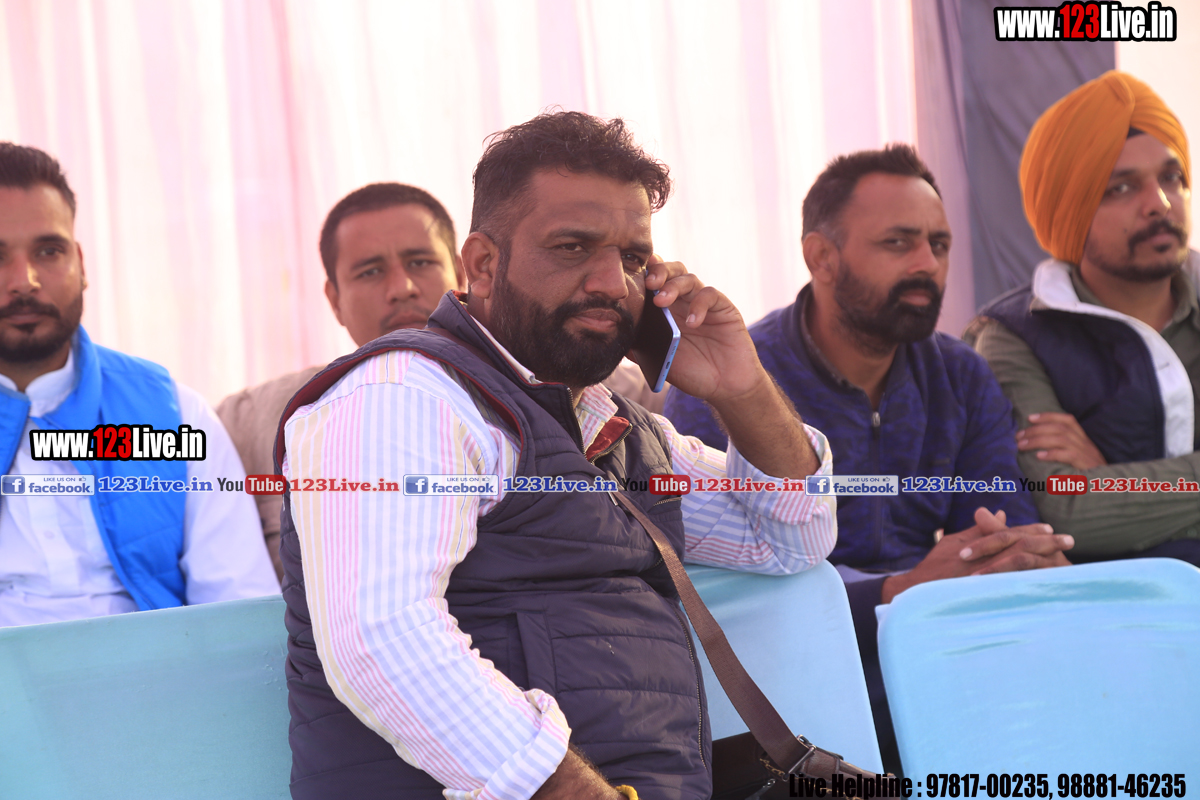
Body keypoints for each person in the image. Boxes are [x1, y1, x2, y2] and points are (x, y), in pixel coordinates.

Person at [275, 111, 837, 799]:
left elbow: (789, 538)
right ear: (483, 265)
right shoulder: (400, 398)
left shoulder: (616, 427)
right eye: (573, 248)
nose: (613, 283)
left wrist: (742, 390)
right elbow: (381, 640)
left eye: (633, 259)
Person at [662, 144, 1073, 774]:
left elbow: (998, 520)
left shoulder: (960, 374)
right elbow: (723, 583)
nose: (927, 264)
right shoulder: (732, 374)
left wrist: (1015, 554)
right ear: (821, 257)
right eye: (898, 243)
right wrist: (892, 592)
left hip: (939, 637)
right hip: (788, 666)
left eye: (939, 244)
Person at [0, 142, 277, 628]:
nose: (25, 281)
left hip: (159, 671)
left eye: (48, 251)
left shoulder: (172, 416)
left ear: (81, 264)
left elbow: (239, 613)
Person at [966, 71, 1200, 566]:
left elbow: (1094, 497)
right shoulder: (1013, 336)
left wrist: (1109, 476)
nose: (1159, 204)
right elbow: (1068, 509)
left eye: (1171, 178)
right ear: (1069, 209)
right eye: (1121, 188)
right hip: (1117, 603)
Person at [217, 183, 465, 577]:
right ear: (334, 300)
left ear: (462, 274)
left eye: (420, 262)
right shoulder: (251, 422)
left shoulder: (539, 400)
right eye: (370, 272)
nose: (402, 288)